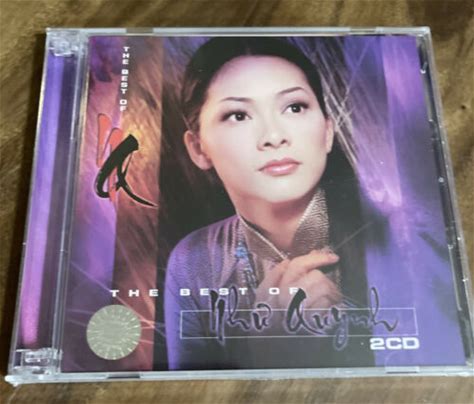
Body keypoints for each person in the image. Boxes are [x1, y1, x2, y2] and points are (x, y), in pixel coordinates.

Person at [164, 37, 374, 370]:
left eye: (295, 107)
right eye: (238, 115)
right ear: (198, 149)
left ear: (327, 132)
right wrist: (270, 357)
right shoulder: (194, 261)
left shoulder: (388, 237)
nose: (274, 136)